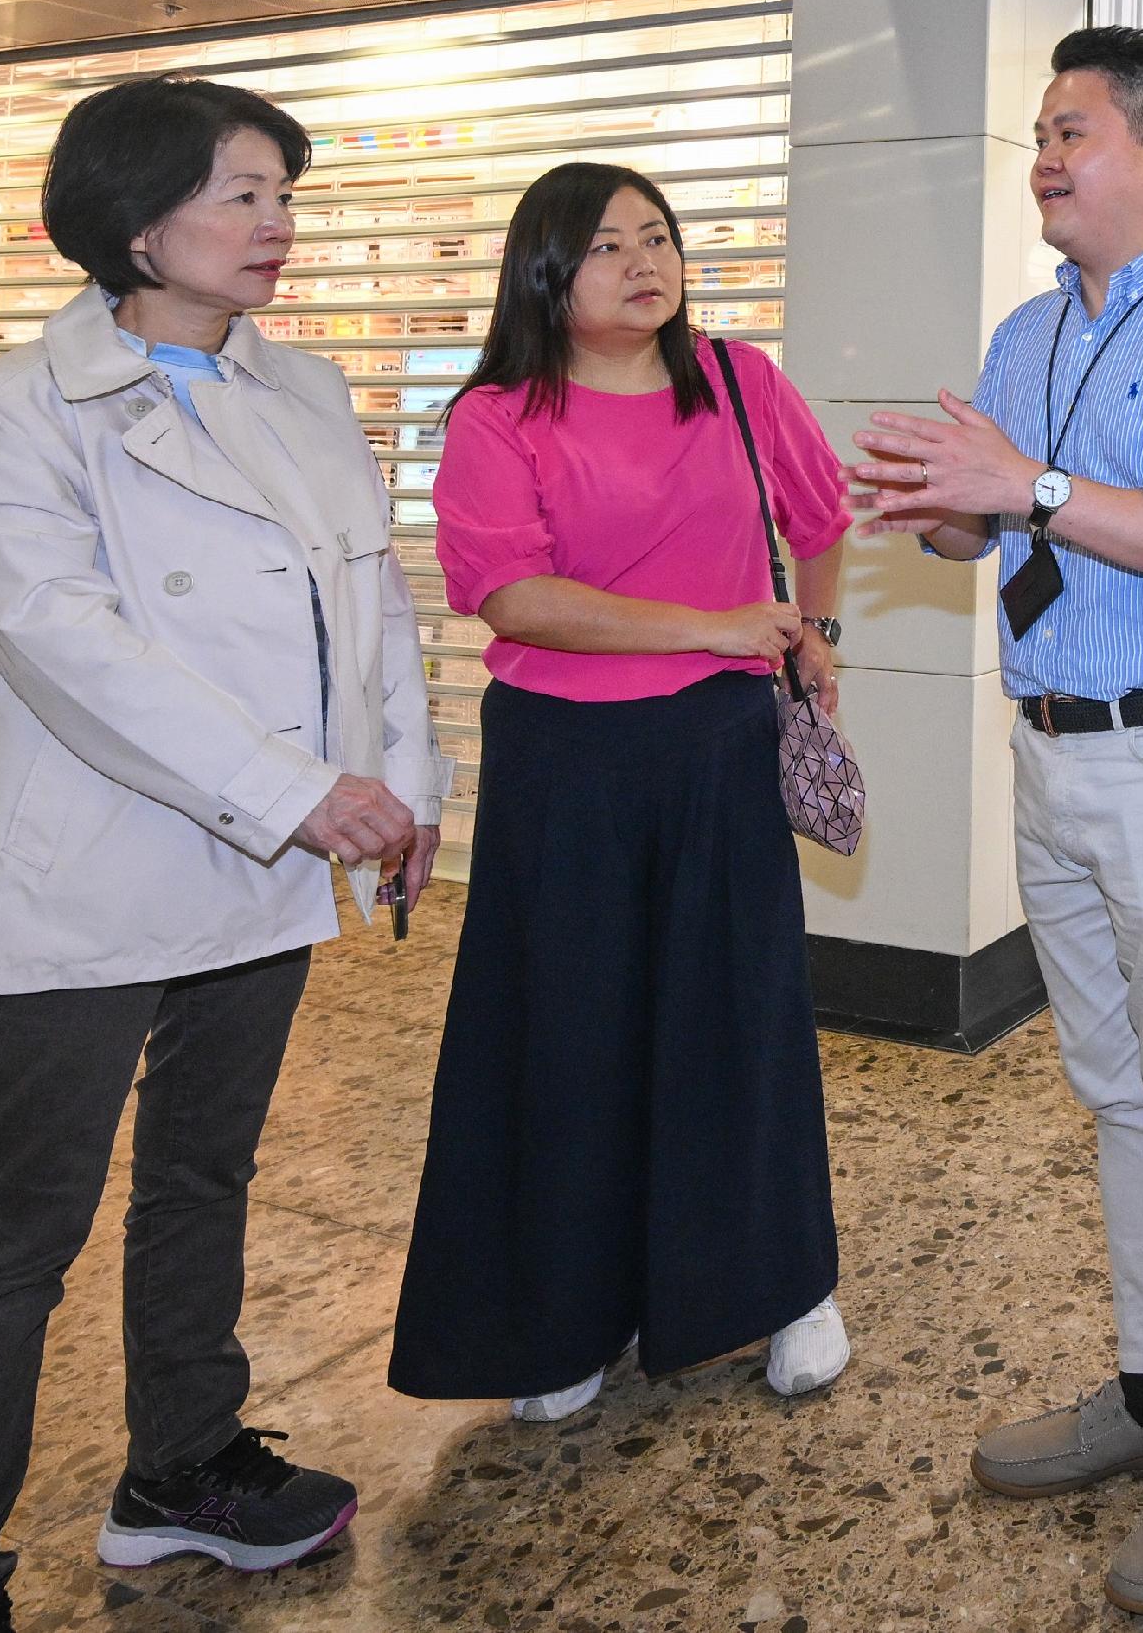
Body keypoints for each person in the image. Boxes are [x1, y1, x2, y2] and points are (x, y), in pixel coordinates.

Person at [0, 78, 443, 1633]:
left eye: (283, 194)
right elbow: (71, 646)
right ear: (137, 220)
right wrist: (298, 789)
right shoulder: (9, 404)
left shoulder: (306, 388)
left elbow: (372, 604)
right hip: (89, 865)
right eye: (242, 193)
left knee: (203, 1174)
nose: (277, 224)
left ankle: (180, 1469)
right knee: (16, 1223)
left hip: (262, 862)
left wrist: (403, 782)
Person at [847, 27, 1143, 1619]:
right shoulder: (1028, 328)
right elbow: (1012, 523)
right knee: (1114, 1088)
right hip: (1047, 745)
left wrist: (1023, 486)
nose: (1046, 153)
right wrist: (954, 502)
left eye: (1076, 128)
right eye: (1039, 130)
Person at [388, 163, 852, 1423]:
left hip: (718, 751)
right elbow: (514, 596)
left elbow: (821, 516)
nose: (644, 262)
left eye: (659, 236)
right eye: (605, 246)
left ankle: (786, 1286)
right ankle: (566, 1313)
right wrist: (712, 623)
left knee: (737, 1021)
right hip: (564, 761)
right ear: (545, 270)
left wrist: (815, 632)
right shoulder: (496, 417)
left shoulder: (742, 384)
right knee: (565, 1033)